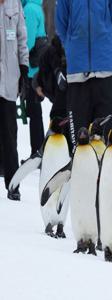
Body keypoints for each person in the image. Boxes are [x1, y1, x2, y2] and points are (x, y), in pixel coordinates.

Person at [56, 0, 112, 151]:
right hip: (77, 74)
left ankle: (105, 173)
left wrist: (107, 44)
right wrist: (71, 48)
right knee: (79, 139)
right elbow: (61, 23)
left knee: (106, 137)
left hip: (103, 72)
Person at [0, 0, 29, 200]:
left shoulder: (14, 4)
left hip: (9, 80)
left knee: (10, 133)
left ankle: (13, 183)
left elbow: (21, 37)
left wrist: (24, 67)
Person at [22, 0, 46, 155]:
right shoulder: (36, 6)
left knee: (34, 112)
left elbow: (28, 41)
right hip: (37, 67)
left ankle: (36, 151)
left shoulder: (29, 9)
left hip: (31, 69)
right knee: (36, 111)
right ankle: (39, 150)